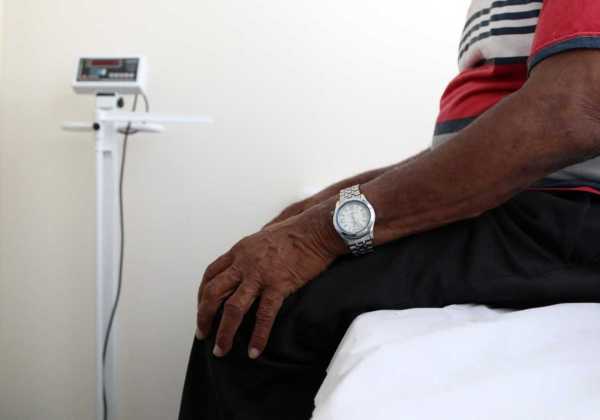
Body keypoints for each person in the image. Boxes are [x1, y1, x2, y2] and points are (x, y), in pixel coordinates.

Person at [179, 1, 600, 419]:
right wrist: (320, 207)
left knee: (260, 311)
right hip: (533, 206)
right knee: (254, 277)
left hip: (565, 216)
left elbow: (573, 110)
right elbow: (474, 144)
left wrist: (319, 234)